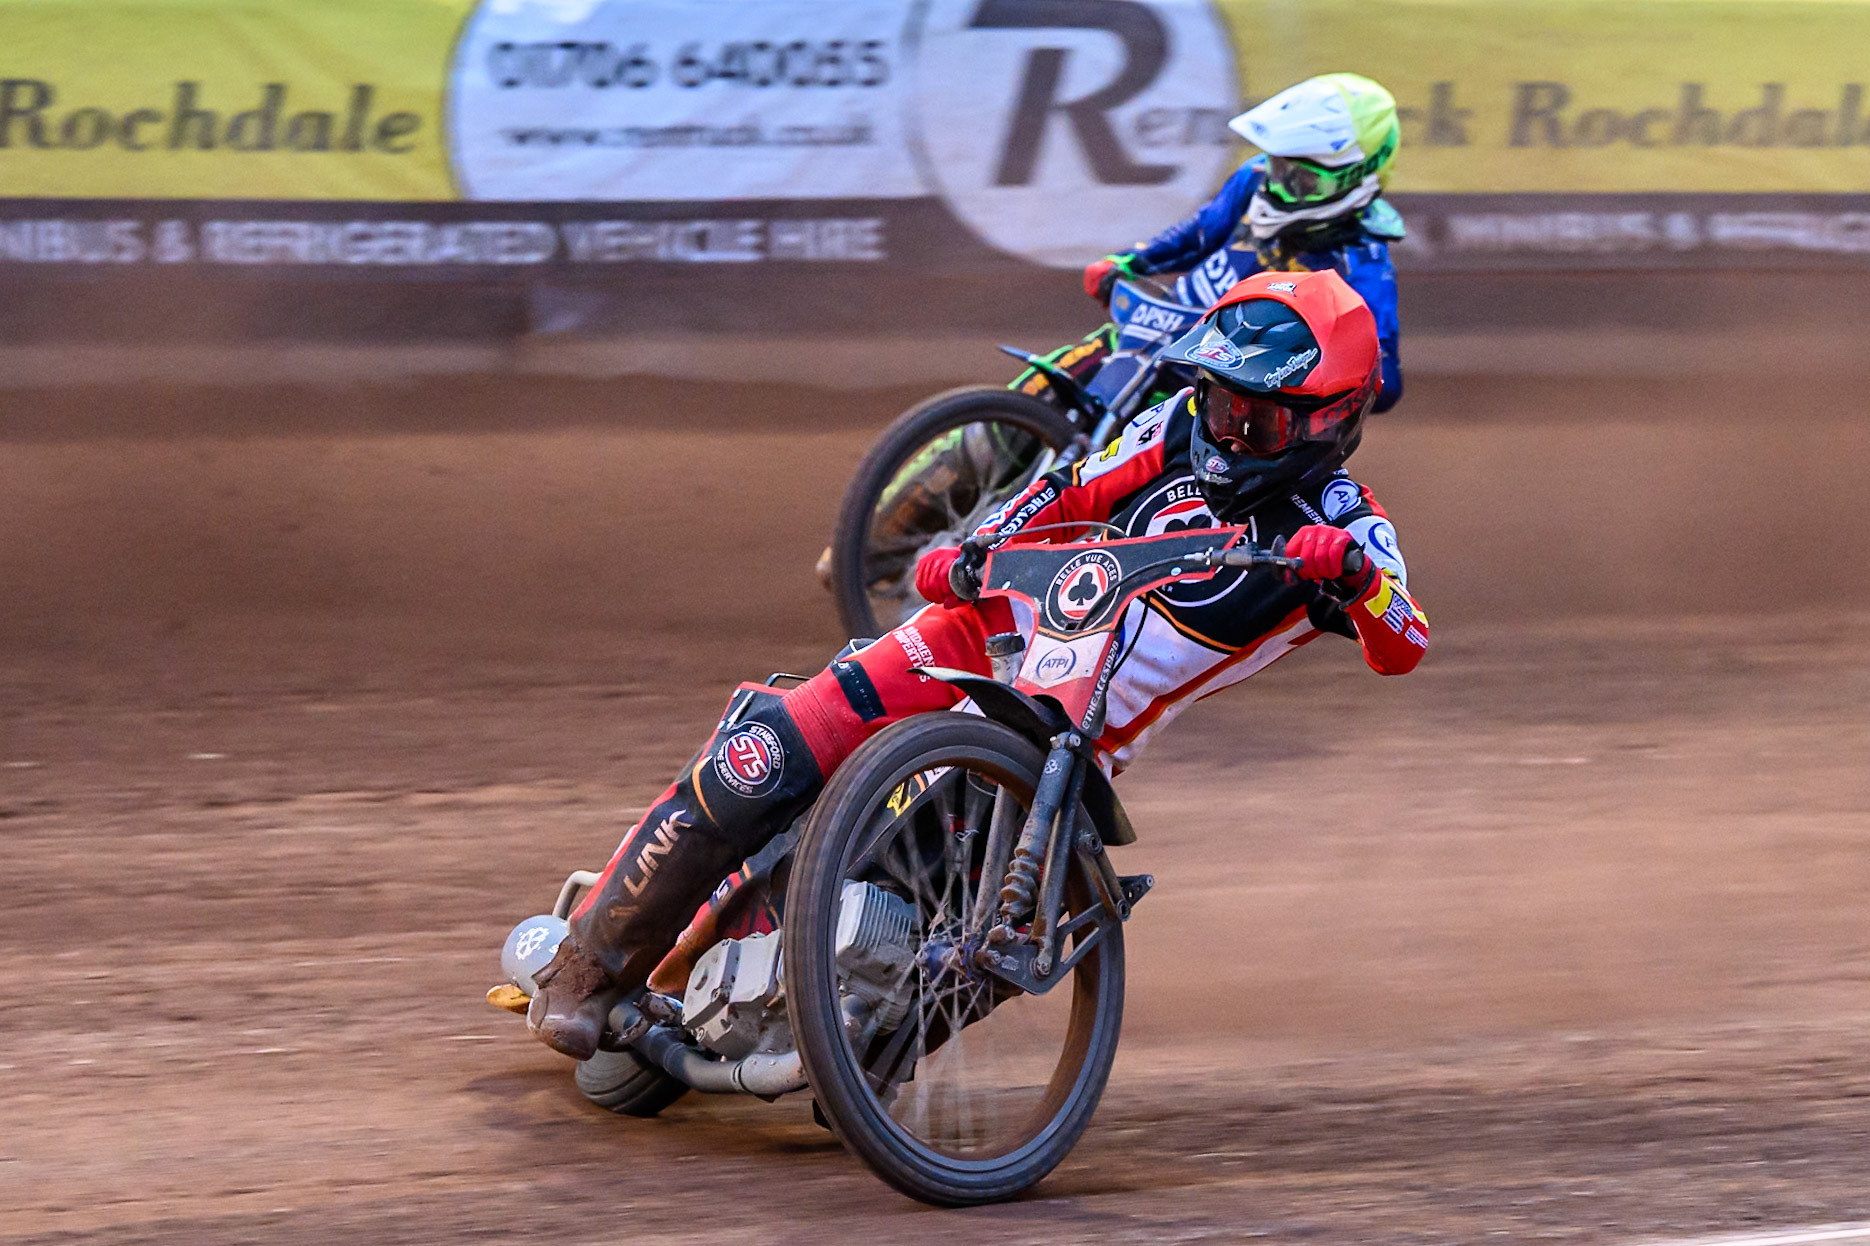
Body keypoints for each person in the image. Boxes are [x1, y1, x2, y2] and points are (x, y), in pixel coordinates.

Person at [528, 269, 1429, 1060]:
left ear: (1333, 418)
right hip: (980, 633)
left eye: (1256, 414)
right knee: (766, 752)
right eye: (1216, 398)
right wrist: (978, 544)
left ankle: (856, 1055)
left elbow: (1408, 642)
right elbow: (1070, 485)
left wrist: (1353, 577)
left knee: (927, 905)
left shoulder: (1349, 527)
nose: (1227, 429)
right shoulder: (1180, 426)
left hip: (1059, 750)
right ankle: (589, 966)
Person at [1045, 71, 1405, 412]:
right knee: (1045, 382)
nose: (1277, 185)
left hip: (1217, 383)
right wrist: (1130, 262)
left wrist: (1295, 370)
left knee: (1160, 467)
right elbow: (1202, 233)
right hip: (1157, 328)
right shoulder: (1255, 177)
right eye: (1279, 167)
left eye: (1304, 179)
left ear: (1358, 178)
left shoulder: (1362, 263)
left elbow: (1384, 381)